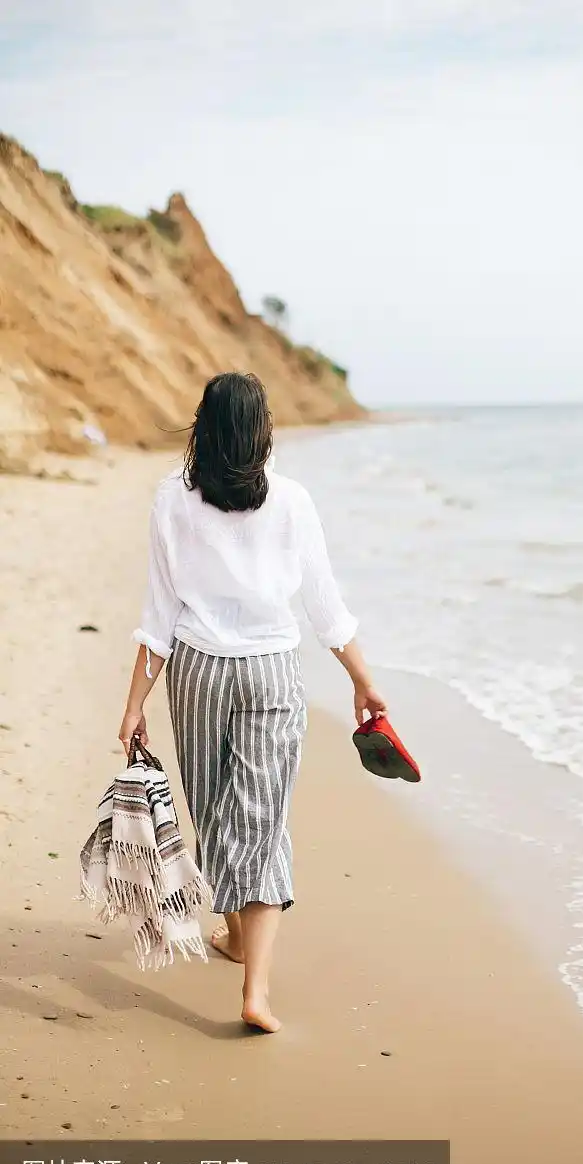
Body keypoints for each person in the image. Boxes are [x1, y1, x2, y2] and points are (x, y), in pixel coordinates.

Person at [118, 371, 387, 1032]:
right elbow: (326, 608)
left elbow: (161, 614)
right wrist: (362, 679)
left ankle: (239, 942)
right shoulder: (293, 500)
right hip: (271, 673)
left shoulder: (171, 500)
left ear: (203, 429)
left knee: (213, 814)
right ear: (263, 431)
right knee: (261, 822)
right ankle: (253, 986)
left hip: (199, 672)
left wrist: (133, 704)